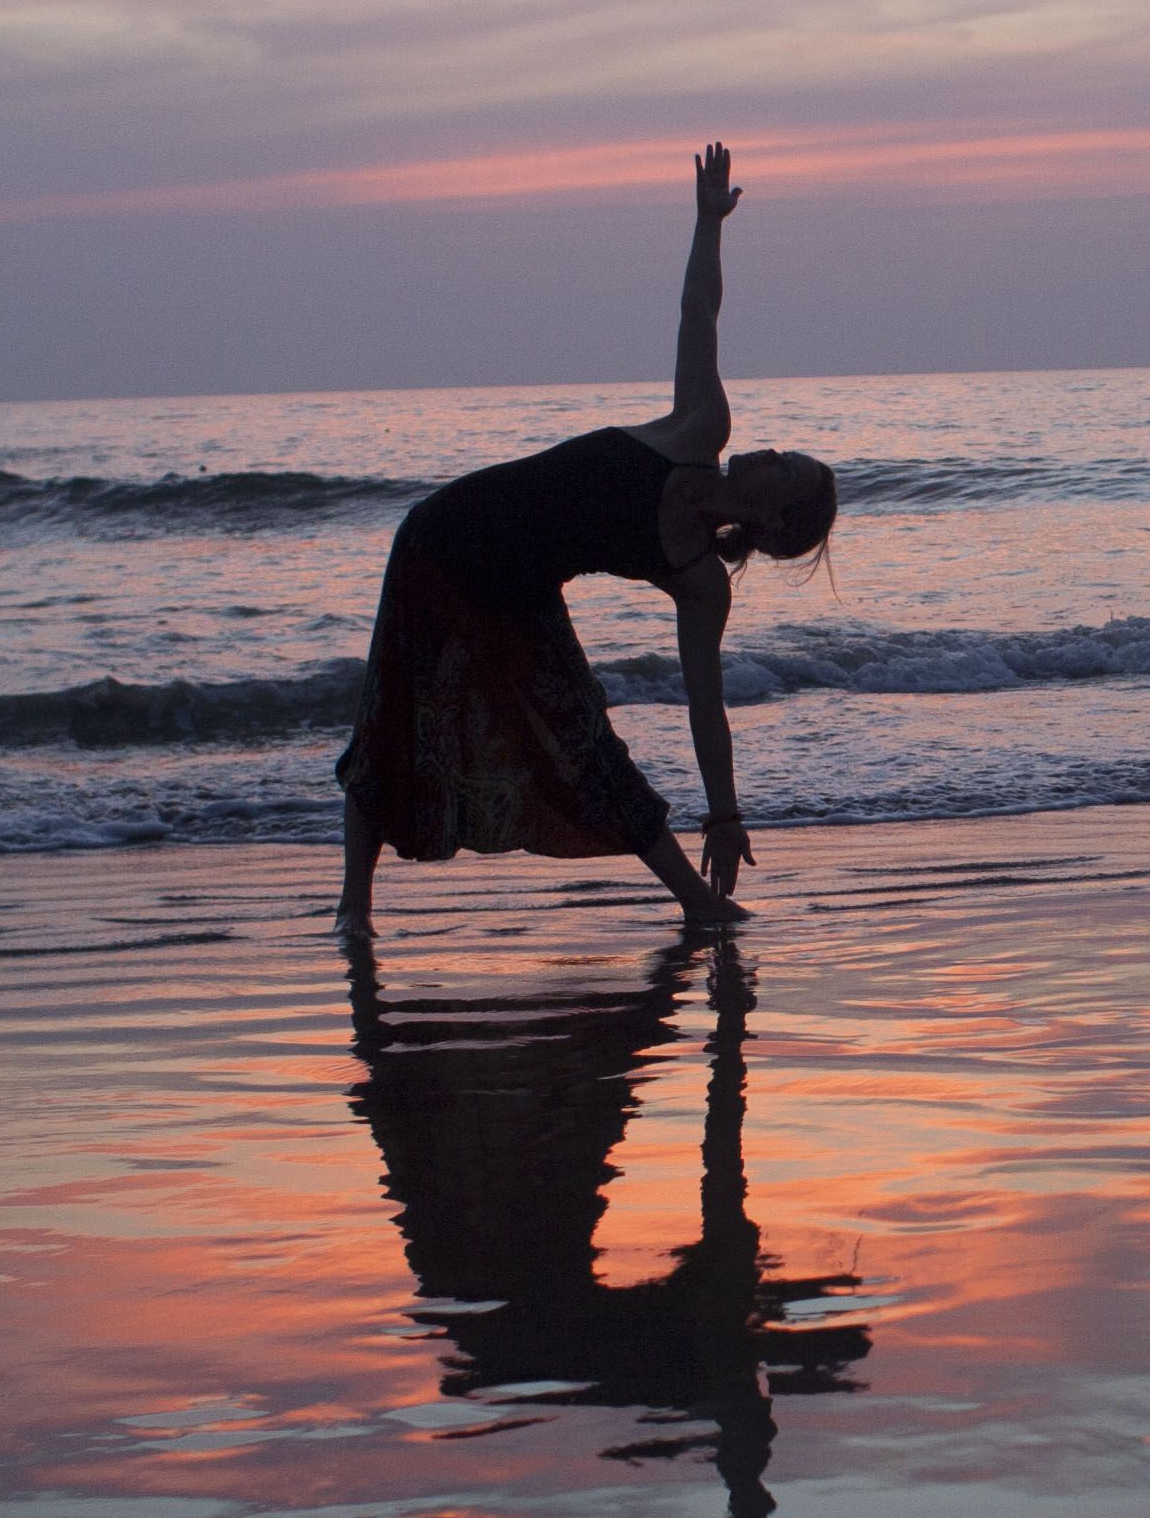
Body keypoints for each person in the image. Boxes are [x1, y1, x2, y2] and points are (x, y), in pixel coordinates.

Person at [334, 142, 836, 935]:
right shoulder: (700, 425)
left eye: (786, 471)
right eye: (784, 451)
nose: (772, 454)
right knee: (392, 722)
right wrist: (708, 224)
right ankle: (352, 911)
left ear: (773, 521)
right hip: (446, 536)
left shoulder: (702, 581)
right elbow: (698, 311)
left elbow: (708, 709)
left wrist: (727, 814)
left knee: (585, 743)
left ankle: (699, 903)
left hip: (520, 588)